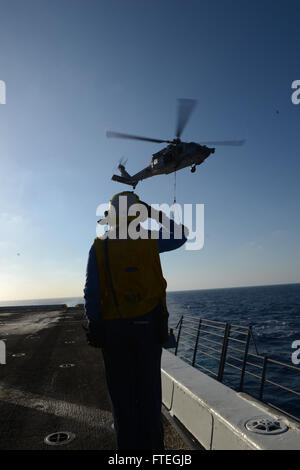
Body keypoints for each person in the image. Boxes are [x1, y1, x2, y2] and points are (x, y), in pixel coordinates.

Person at [83, 191, 188, 450]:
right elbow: (181, 235)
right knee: (150, 396)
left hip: (113, 331)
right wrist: (153, 212)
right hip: (149, 329)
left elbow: (92, 292)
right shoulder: (150, 239)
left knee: (122, 399)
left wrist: (94, 323)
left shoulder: (99, 246)